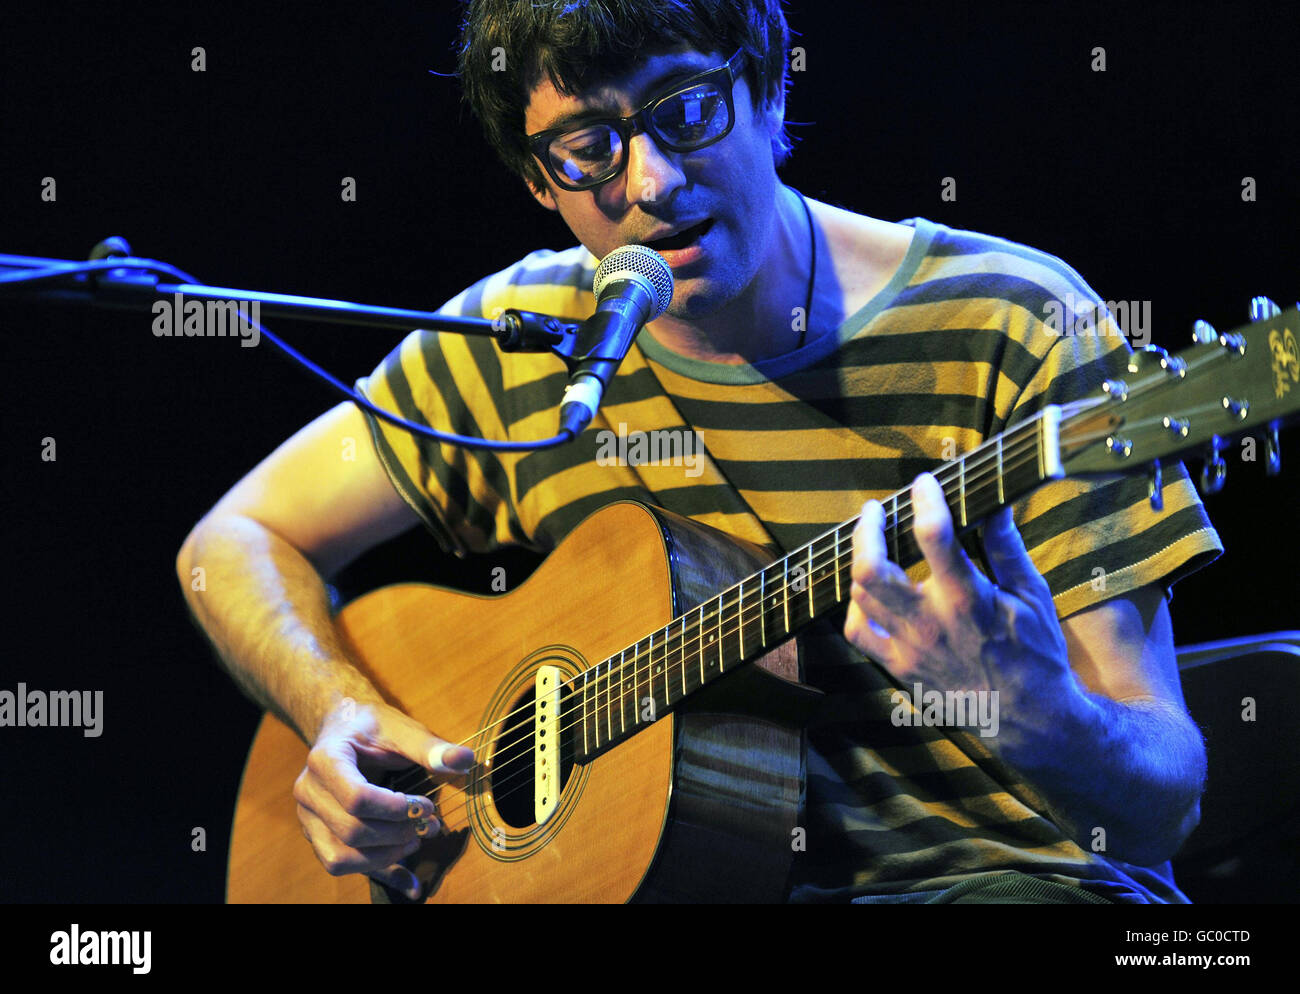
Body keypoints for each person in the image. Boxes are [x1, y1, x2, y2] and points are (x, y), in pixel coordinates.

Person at [177, 0, 1222, 903]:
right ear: (540, 182)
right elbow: (230, 541)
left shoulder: (1019, 321)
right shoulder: (523, 340)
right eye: (588, 149)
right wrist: (335, 710)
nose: (652, 182)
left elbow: (1158, 803)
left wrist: (1031, 712)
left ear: (768, 92)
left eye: (685, 113)